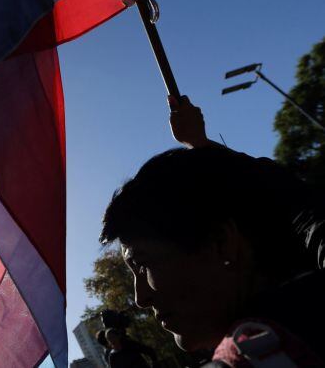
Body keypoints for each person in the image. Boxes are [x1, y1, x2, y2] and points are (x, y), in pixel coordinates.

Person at [98, 95, 325, 366]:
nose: (140, 298)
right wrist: (202, 146)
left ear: (222, 243)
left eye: (143, 265)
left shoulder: (256, 353)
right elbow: (298, 204)